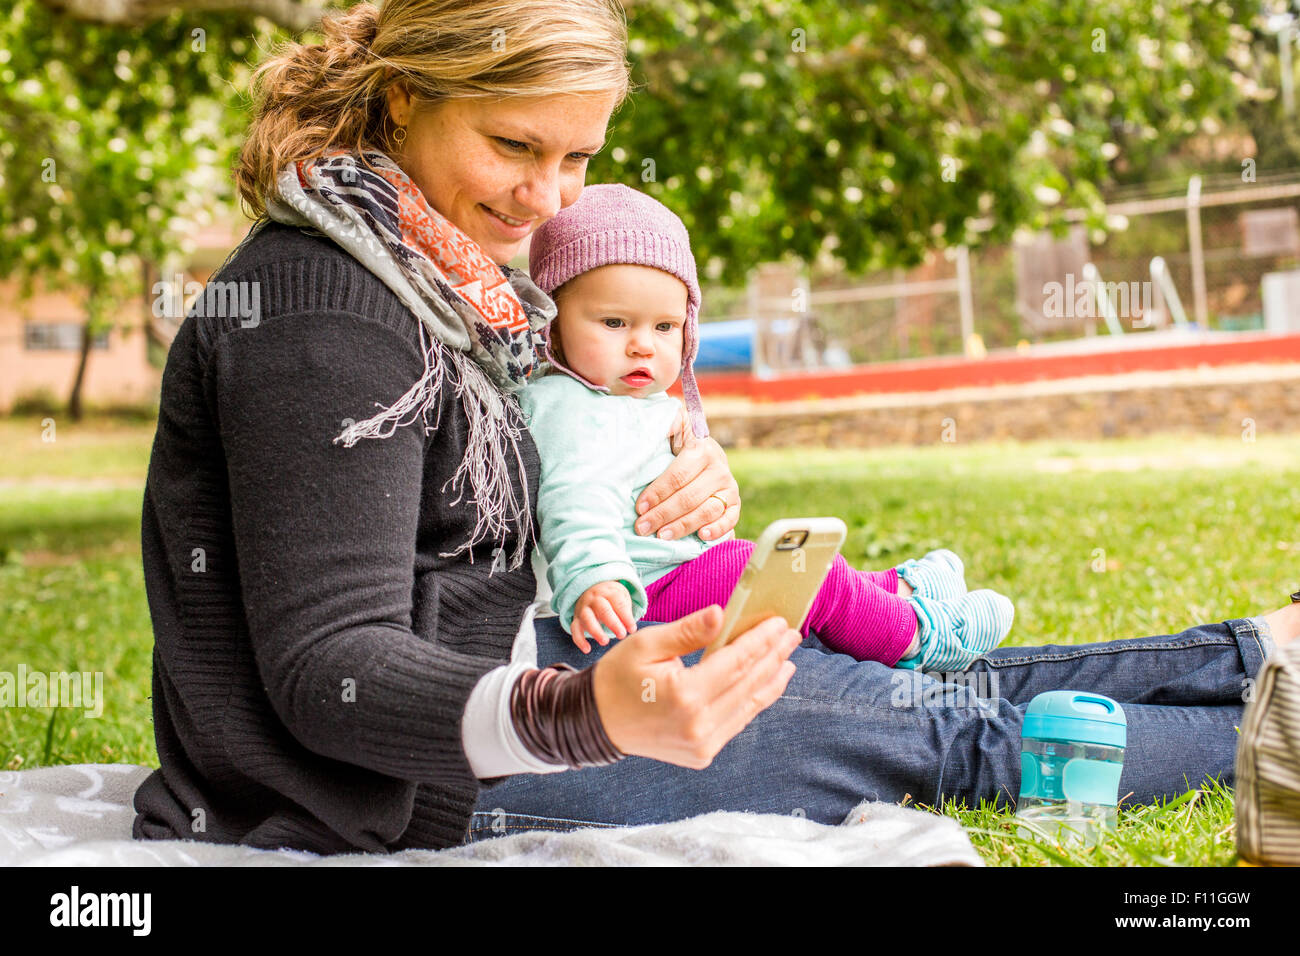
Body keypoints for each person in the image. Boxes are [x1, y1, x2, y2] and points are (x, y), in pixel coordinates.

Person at [128, 0, 1300, 856]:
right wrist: (582, 711)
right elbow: (323, 669)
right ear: (400, 99)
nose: (546, 199)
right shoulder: (321, 313)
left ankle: (1254, 654)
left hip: (530, 665)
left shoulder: (446, 279)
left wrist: (684, 446)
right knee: (959, 735)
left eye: (577, 155)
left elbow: (551, 431)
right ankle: (1271, 708)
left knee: (904, 670)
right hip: (413, 779)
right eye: (514, 146)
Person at [519, 182, 1015, 672]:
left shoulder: (629, 400)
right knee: (783, 566)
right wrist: (595, 580)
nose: (643, 345)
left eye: (665, 327)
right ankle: (915, 639)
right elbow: (574, 496)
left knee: (800, 567)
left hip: (672, 576)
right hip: (640, 596)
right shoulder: (567, 404)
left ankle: (895, 590)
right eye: (614, 323)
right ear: (552, 324)